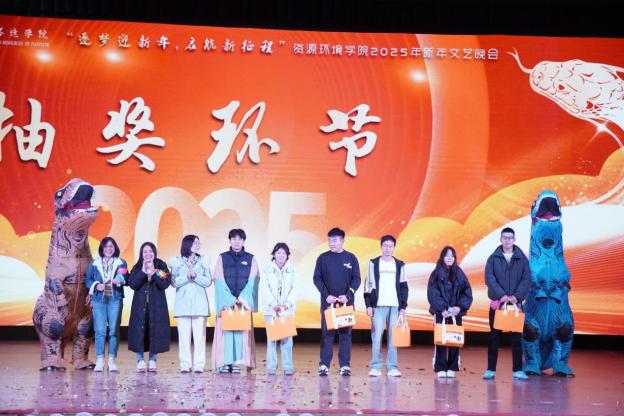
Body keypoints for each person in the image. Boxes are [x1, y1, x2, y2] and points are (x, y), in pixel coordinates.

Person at [483, 227, 531, 380]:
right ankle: (490, 369)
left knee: (516, 338)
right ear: (501, 239)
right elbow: (489, 279)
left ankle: (518, 370)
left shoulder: (522, 258)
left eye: (510, 238)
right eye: (505, 237)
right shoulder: (493, 258)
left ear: (514, 239)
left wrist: (516, 297)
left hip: (515, 305)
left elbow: (526, 279)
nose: (507, 240)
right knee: (494, 337)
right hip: (498, 304)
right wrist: (502, 296)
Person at [313, 227, 361, 376]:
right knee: (327, 334)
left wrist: (348, 295)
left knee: (345, 334)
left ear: (342, 241)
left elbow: (356, 279)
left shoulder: (351, 258)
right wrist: (326, 295)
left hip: (345, 304)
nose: (331, 243)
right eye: (329, 240)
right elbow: (317, 278)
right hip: (328, 304)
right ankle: (324, 365)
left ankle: (345, 365)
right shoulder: (323, 258)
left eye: (335, 240)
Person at [211, 229, 260, 373]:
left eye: (240, 239)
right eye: (234, 239)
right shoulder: (222, 258)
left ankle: (237, 362)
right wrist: (230, 299)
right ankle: (226, 362)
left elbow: (253, 279)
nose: (237, 242)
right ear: (230, 241)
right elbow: (218, 279)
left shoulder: (251, 258)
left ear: (243, 241)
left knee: (240, 332)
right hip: (227, 304)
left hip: (243, 304)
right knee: (226, 332)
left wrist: (242, 298)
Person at [363, 235, 408, 378]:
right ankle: (375, 367)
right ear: (381, 246)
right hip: (378, 306)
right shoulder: (373, 263)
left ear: (394, 247)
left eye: (390, 246)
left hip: (395, 306)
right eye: (385, 245)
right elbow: (368, 285)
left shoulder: (399, 264)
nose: (388, 248)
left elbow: (403, 286)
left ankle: (392, 367)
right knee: (377, 337)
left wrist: (403, 307)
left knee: (393, 337)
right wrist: (369, 305)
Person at [427, 246, 473, 378]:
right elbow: (433, 294)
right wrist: (442, 308)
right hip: (441, 312)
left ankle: (453, 366)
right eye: (447, 255)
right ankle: (440, 367)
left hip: (455, 312)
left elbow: (467, 292)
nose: (449, 258)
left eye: (452, 256)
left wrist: (459, 307)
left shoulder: (459, 273)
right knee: (440, 340)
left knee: (454, 339)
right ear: (442, 257)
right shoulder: (435, 274)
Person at [170, 235, 212, 373]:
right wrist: (187, 277)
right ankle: (185, 364)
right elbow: (173, 282)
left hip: (200, 304)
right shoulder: (177, 261)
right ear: (187, 244)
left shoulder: (203, 260)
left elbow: (208, 281)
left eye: (199, 243)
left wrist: (196, 276)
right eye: (195, 243)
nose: (198, 245)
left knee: (200, 337)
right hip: (183, 304)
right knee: (183, 337)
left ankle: (199, 365)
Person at [85, 237, 128, 372]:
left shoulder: (121, 262)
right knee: (100, 331)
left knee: (114, 330)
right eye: (106, 246)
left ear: (115, 248)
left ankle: (111, 360)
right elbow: (88, 280)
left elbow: (126, 277)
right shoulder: (94, 263)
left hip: (115, 299)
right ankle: (99, 360)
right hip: (99, 300)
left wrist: (119, 279)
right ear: (102, 248)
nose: (109, 249)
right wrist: (96, 285)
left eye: (111, 246)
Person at [128, 242, 171, 373]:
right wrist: (142, 272)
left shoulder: (161, 265)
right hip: (140, 306)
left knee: (155, 330)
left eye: (150, 251)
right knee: (139, 331)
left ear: (154, 253)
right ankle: (140, 360)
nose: (148, 254)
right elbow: (132, 284)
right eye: (145, 251)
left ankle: (152, 360)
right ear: (141, 254)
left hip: (156, 305)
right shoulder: (137, 266)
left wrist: (154, 273)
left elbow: (165, 283)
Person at [260, 242, 298, 375]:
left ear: (287, 255)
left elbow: (295, 288)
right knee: (272, 340)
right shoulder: (267, 269)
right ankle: (271, 367)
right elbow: (265, 288)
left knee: (287, 340)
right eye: (278, 253)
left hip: (286, 311)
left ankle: (288, 366)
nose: (281, 255)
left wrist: (287, 304)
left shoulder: (292, 270)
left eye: (284, 253)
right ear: (274, 254)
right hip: (271, 311)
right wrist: (273, 304)